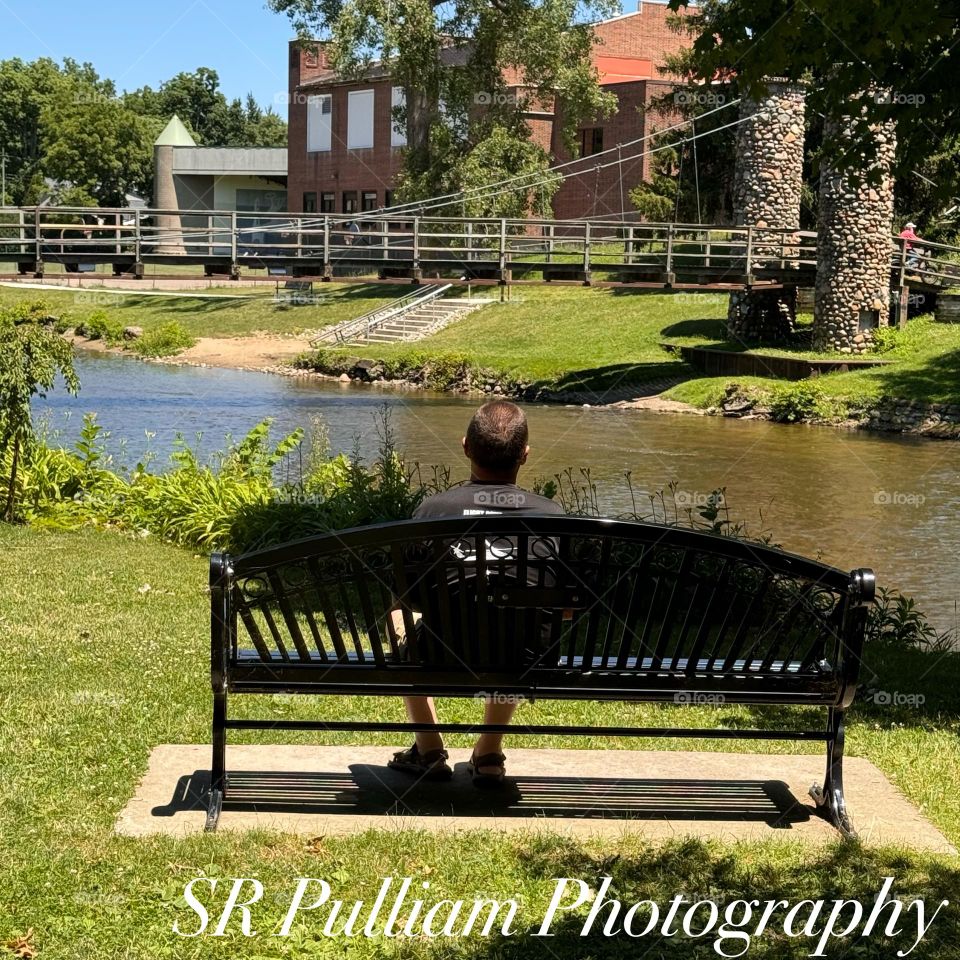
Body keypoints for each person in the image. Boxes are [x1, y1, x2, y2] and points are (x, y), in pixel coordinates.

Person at [387, 399, 563, 788]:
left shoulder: (434, 509)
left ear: (465, 446)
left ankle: (429, 748)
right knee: (520, 627)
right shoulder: (551, 515)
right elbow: (566, 609)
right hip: (525, 658)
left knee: (396, 612)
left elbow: (409, 596)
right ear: (525, 455)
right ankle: (488, 753)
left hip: (441, 652)